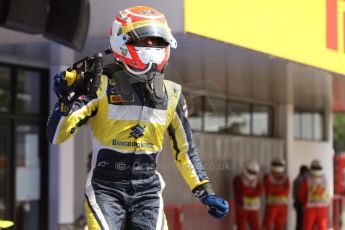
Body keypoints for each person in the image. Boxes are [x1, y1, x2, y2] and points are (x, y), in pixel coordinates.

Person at [46, 6, 229, 230]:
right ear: (121, 42)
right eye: (146, 41)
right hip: (106, 188)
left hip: (148, 191)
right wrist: (65, 102)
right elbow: (56, 136)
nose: (152, 47)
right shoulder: (99, 85)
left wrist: (205, 191)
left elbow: (186, 152)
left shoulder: (172, 94)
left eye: (158, 41)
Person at [298, 160, 329, 230]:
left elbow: (301, 195)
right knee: (322, 227)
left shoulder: (306, 180)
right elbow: (327, 194)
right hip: (321, 208)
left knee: (308, 227)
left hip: (310, 208)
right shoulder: (325, 179)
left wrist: (305, 203)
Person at [233, 160, 262, 230]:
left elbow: (259, 192)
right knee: (241, 227)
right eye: (250, 172)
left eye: (254, 172)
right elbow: (241, 192)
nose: (252, 174)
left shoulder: (257, 181)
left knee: (256, 227)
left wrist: (248, 190)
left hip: (254, 209)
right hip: (242, 209)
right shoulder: (238, 179)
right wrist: (252, 191)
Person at [262, 158, 290, 230]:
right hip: (271, 206)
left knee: (280, 226)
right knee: (267, 225)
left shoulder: (285, 178)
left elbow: (286, 191)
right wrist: (280, 188)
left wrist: (275, 189)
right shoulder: (267, 177)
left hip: (283, 207)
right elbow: (269, 190)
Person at [293, 165, 309, 230]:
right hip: (304, 203)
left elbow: (294, 194)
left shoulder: (296, 179)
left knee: (299, 221)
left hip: (298, 203)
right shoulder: (306, 180)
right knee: (305, 221)